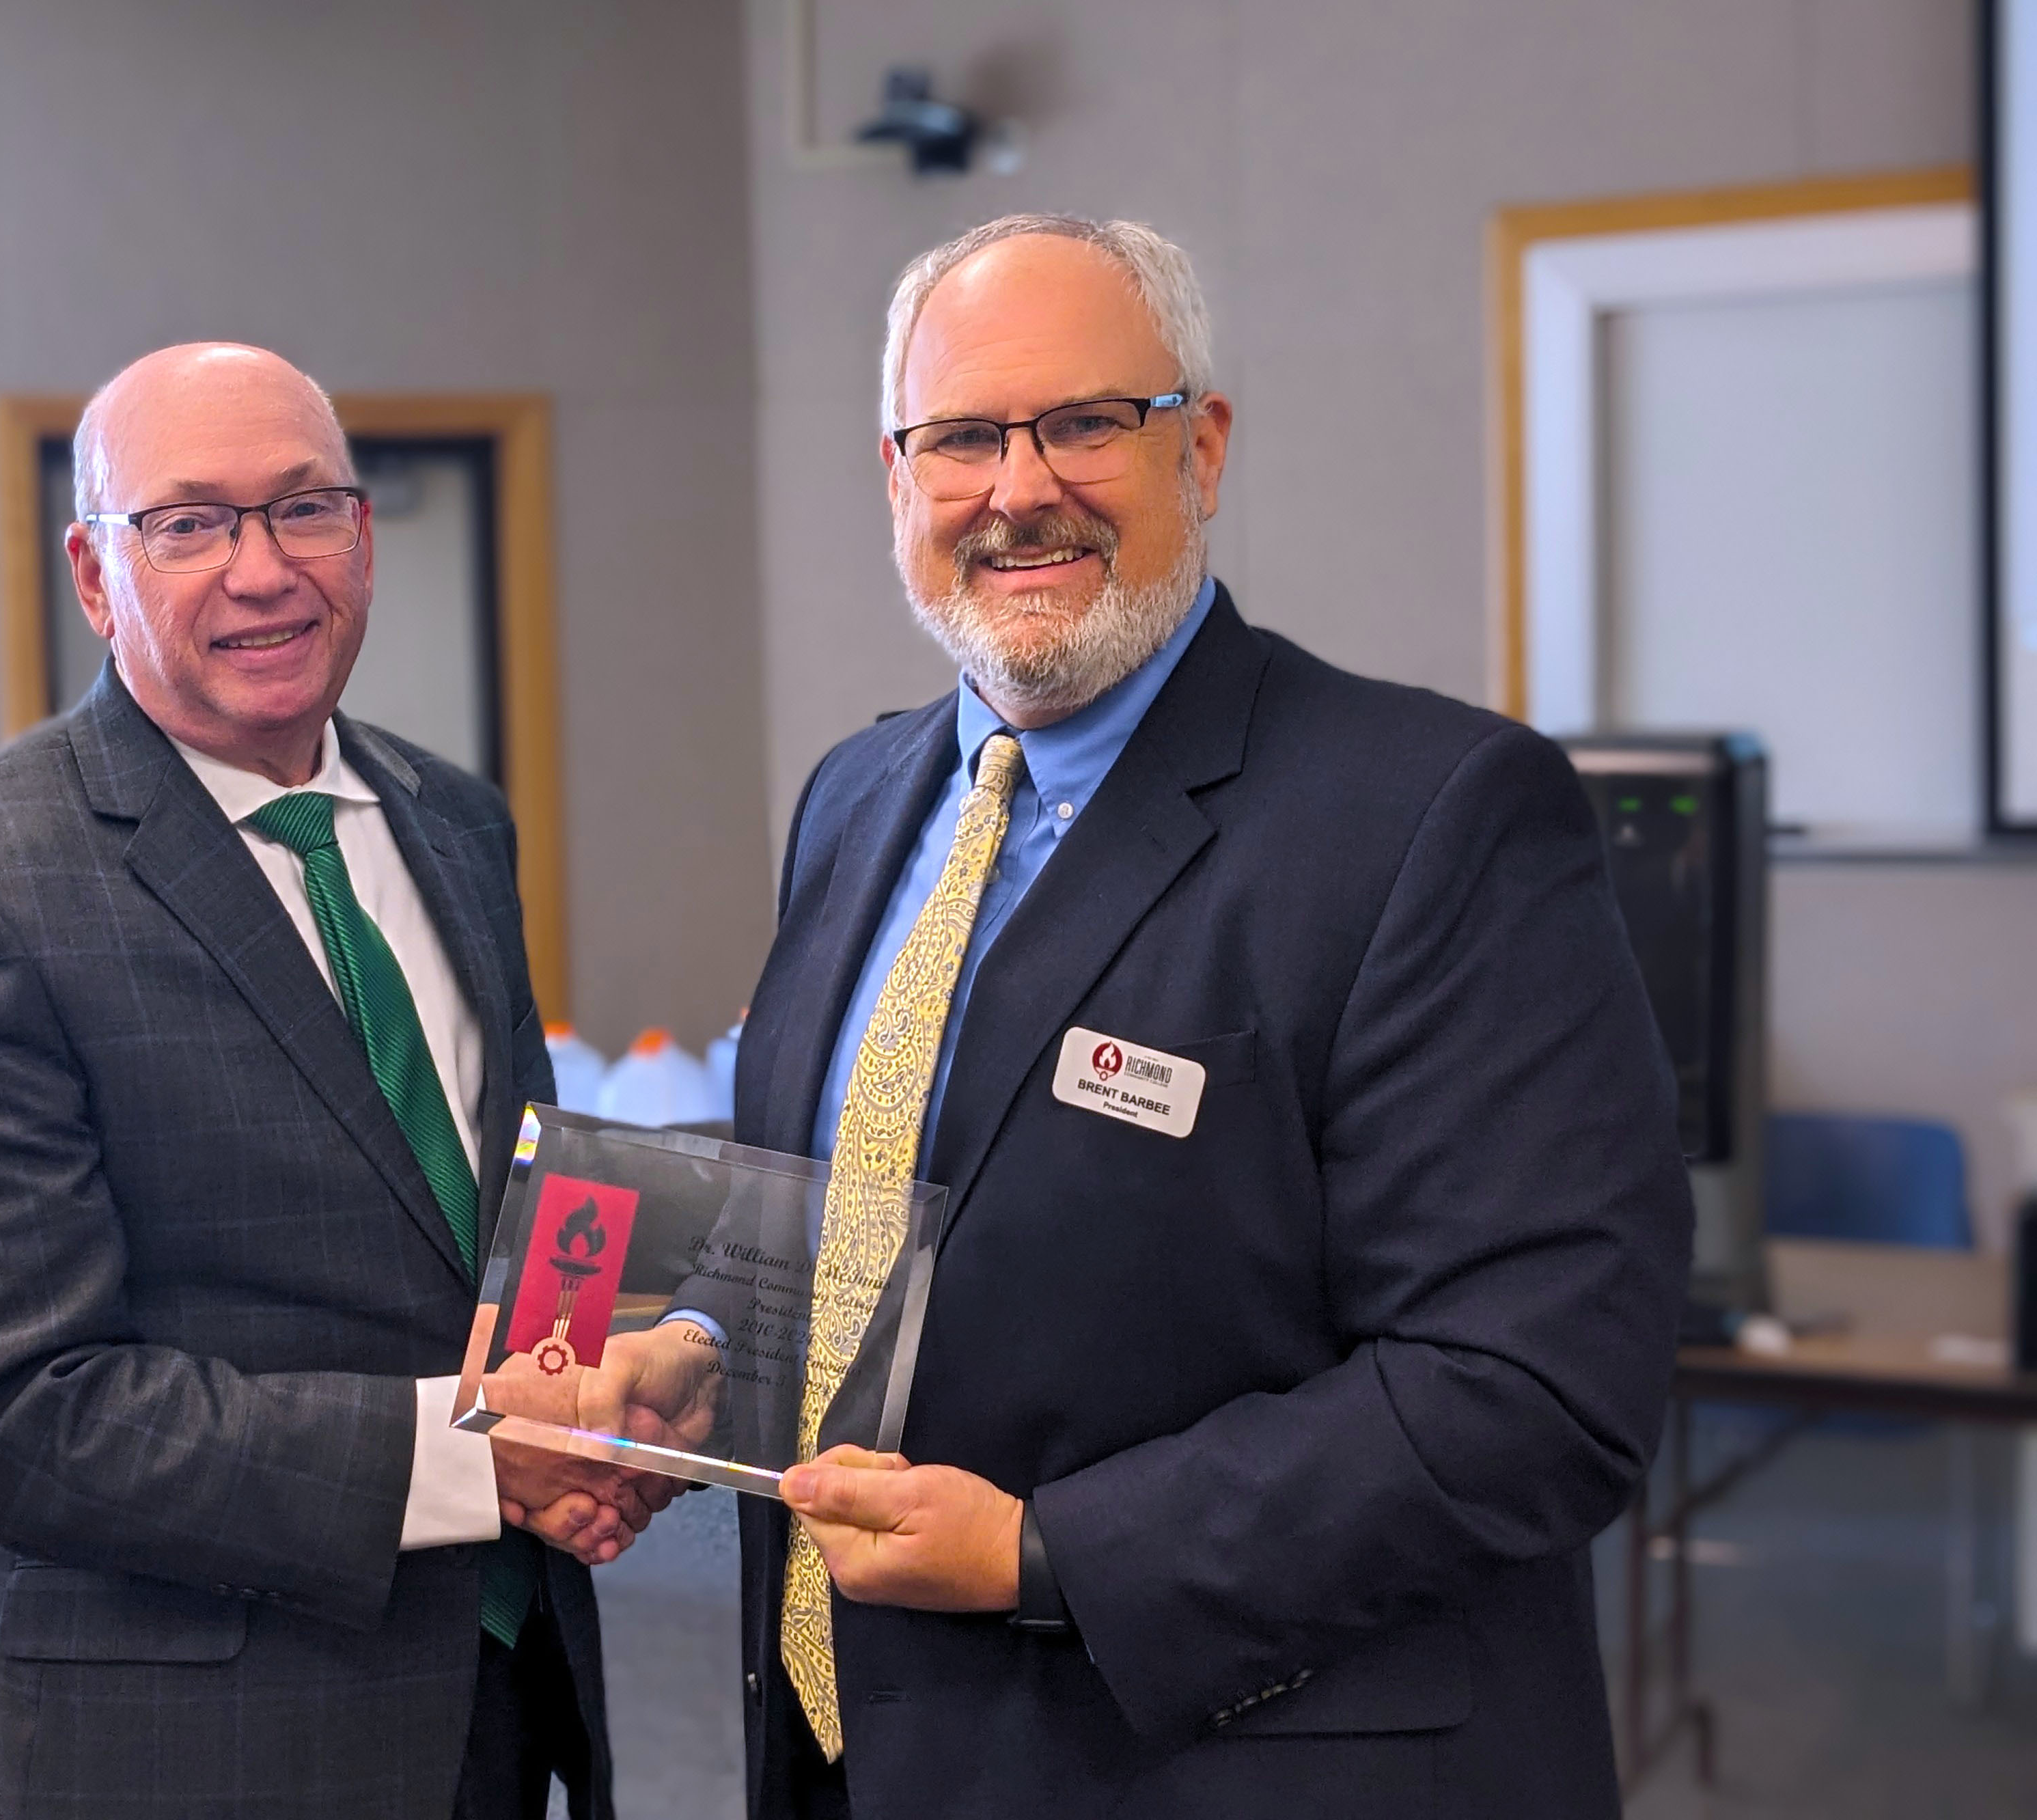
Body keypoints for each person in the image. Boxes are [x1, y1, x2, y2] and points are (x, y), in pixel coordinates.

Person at [587, 216, 1693, 1818]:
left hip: (1236, 1761)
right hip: (857, 1752)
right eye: (960, 435)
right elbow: (872, 1199)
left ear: (1204, 448)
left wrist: (1047, 1553)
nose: (1018, 487)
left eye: (1087, 422)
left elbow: (1536, 1389)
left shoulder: (1437, 815)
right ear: (897, 479)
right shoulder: (857, 796)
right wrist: (702, 1343)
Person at [0, 342, 666, 1820]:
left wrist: (594, 1399)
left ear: (363, 538)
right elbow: (19, 1419)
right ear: (96, 577)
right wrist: (492, 1461)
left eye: (305, 510)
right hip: (176, 1751)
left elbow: (528, 1190)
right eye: (192, 524)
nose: (263, 570)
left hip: (490, 1696)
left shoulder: (454, 822)